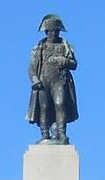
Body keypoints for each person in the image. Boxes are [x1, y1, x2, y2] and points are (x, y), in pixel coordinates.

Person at [27, 14, 78, 144]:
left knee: (60, 104)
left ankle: (61, 133)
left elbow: (74, 64)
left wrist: (63, 60)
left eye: (56, 31)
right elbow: (32, 67)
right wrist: (35, 80)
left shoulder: (65, 45)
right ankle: (45, 133)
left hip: (59, 80)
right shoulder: (39, 48)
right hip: (43, 81)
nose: (54, 33)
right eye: (51, 31)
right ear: (46, 31)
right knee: (44, 107)